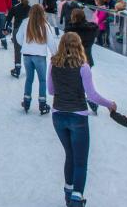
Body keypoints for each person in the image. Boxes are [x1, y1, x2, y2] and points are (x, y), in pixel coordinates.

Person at [48, 32, 115, 207]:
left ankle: (68, 192)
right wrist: (109, 104)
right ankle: (77, 198)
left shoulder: (53, 63)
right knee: (80, 161)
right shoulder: (83, 67)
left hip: (58, 115)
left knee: (69, 155)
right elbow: (91, 95)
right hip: (77, 116)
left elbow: (50, 90)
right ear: (79, 46)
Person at [16, 4, 59, 115]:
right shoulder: (44, 24)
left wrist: (25, 45)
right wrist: (55, 54)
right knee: (42, 80)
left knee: (29, 79)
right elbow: (51, 41)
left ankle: (26, 100)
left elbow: (18, 37)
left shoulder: (25, 22)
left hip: (26, 55)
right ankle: (42, 102)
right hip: (39, 56)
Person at [6, 0, 30, 78]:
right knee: (28, 49)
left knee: (17, 50)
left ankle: (17, 69)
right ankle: (29, 69)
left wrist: (5, 28)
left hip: (17, 30)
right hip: (28, 31)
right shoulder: (30, 8)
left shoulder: (15, 7)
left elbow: (8, 19)